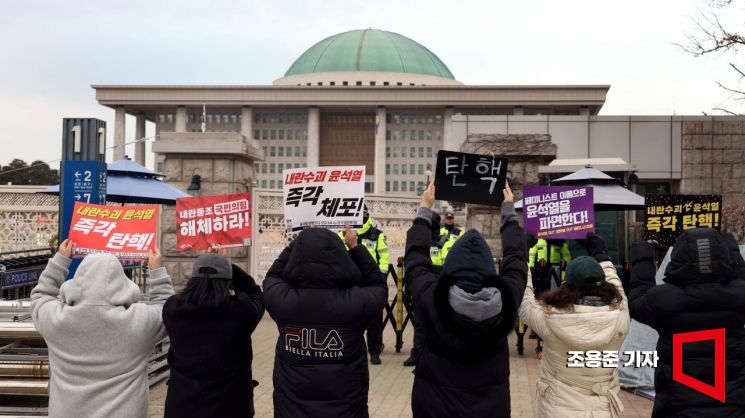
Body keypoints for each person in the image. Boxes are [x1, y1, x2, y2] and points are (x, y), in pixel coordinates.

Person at [404, 182, 527, 418]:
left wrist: (424, 210)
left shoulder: (433, 298)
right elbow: (517, 260)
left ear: (450, 268)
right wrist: (508, 213)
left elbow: (415, 262)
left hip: (434, 407)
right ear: (490, 271)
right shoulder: (507, 299)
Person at [30, 240, 174, 418]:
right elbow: (166, 308)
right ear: (122, 283)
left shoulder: (57, 320)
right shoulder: (139, 321)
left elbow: (40, 296)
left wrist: (60, 260)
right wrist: (157, 271)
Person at [264, 225, 387, 418]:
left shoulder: (283, 301)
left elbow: (272, 276)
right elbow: (377, 284)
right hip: (346, 411)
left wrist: (298, 243)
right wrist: (355, 247)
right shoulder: (355, 303)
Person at [629, 228, 745, 417]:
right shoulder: (739, 296)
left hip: (677, 409)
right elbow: (741, 277)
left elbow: (636, 301)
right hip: (731, 408)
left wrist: (642, 255)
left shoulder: (663, 300)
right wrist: (731, 247)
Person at [518, 233, 629, 417]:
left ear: (566, 286)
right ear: (604, 285)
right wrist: (601, 254)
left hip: (558, 410)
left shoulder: (550, 320)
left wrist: (521, 255)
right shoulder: (620, 316)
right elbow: (616, 283)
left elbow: (524, 299)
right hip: (604, 412)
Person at [162, 246, 265, 418]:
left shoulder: (173, 309)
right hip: (231, 407)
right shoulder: (241, 311)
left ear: (193, 279)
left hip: (182, 406)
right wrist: (227, 265)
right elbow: (255, 292)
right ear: (227, 280)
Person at [338, 206, 389, 365]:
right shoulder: (343, 234)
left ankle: (374, 350)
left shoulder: (376, 234)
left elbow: (384, 256)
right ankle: (347, 349)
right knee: (349, 316)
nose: (361, 216)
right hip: (351, 279)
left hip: (371, 280)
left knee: (375, 318)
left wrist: (381, 275)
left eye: (363, 214)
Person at [527, 237, 572, 358]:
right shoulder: (540, 241)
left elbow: (566, 256)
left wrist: (566, 265)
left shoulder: (560, 243)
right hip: (541, 272)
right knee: (542, 302)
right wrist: (531, 266)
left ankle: (543, 342)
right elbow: (532, 252)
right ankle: (540, 340)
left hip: (555, 271)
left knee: (550, 303)